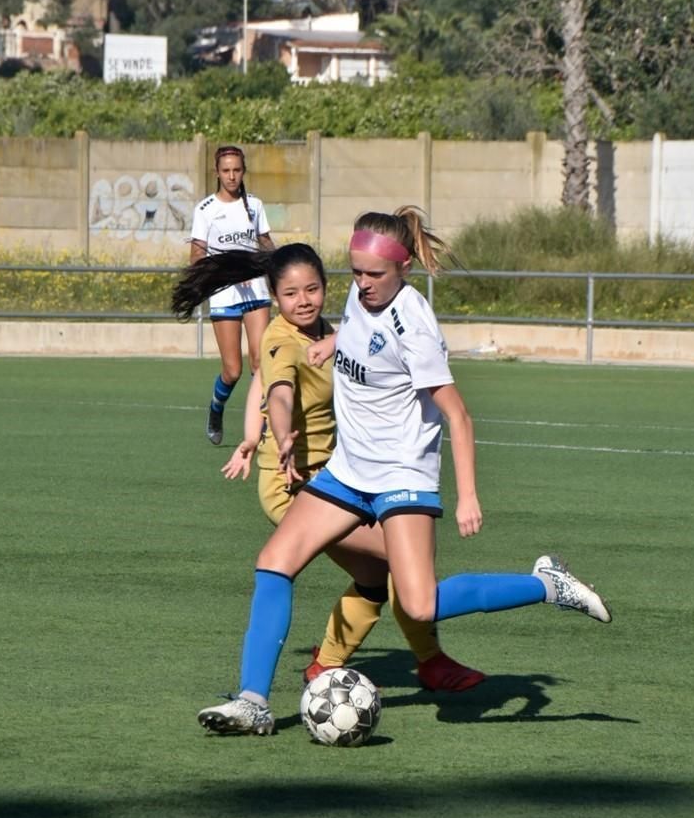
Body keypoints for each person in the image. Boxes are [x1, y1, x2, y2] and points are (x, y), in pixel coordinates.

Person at [183, 206, 611, 737]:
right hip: (347, 472)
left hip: (402, 476)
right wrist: (334, 342)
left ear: (403, 267)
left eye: (373, 275)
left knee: (420, 602)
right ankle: (253, 701)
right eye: (355, 272)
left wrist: (468, 496)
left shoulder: (416, 325)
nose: (360, 285)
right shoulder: (362, 294)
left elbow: (458, 413)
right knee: (274, 561)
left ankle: (544, 584)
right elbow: (357, 334)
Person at [208, 242, 486, 694]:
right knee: (398, 565)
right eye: (291, 293)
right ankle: (427, 661)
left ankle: (330, 663)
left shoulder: (337, 324)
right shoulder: (281, 338)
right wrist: (277, 435)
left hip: (343, 476)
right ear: (275, 299)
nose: (303, 300)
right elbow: (277, 391)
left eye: (313, 289)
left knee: (375, 578)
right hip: (296, 482)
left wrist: (248, 437)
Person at [188, 144, 275, 445]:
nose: (231, 176)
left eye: (236, 170)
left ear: (243, 171)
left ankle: (261, 423)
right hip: (225, 295)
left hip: (257, 292)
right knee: (233, 370)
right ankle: (216, 408)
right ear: (217, 173)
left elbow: (265, 243)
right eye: (226, 170)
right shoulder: (205, 210)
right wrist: (218, 272)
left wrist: (276, 266)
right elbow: (196, 256)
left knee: (259, 362)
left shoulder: (255, 205)